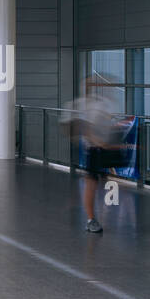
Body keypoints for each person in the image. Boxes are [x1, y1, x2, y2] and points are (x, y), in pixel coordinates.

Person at [65, 75, 123, 234]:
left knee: (101, 180)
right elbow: (86, 128)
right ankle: (91, 219)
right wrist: (96, 141)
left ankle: (97, 212)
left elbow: (107, 123)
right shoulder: (85, 104)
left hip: (105, 147)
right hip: (93, 148)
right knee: (91, 183)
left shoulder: (104, 103)